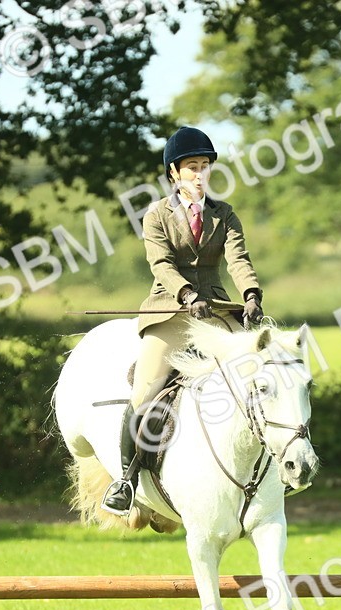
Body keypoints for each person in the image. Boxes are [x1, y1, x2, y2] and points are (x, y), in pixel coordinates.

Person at [102, 126, 265, 514]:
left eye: (205, 166)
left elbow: (238, 261)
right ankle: (125, 479)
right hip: (170, 309)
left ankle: (273, 465)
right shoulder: (156, 215)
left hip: (217, 311)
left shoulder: (224, 214)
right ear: (174, 172)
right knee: (144, 391)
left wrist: (252, 295)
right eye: (192, 166)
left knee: (260, 377)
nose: (199, 173)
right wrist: (186, 295)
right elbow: (161, 264)